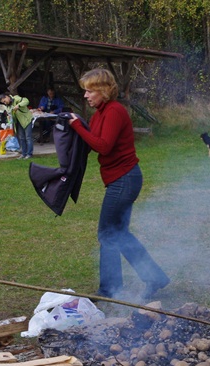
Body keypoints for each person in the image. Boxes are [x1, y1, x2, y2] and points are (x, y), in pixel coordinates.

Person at [68, 68, 169, 300]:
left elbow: (103, 146)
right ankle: (153, 278)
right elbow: (92, 142)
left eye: (90, 91)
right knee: (119, 233)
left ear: (103, 90)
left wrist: (77, 127)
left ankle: (110, 289)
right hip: (121, 179)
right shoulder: (99, 114)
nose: (85, 95)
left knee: (107, 233)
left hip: (124, 179)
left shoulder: (114, 111)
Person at [0, 92, 33, 159]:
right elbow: (10, 114)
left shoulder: (16, 98)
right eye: (3, 102)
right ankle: (23, 153)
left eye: (5, 101)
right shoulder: (8, 105)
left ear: (7, 97)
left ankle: (29, 154)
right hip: (18, 122)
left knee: (28, 138)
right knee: (22, 138)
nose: (5, 103)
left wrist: (18, 105)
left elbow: (26, 101)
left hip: (27, 120)